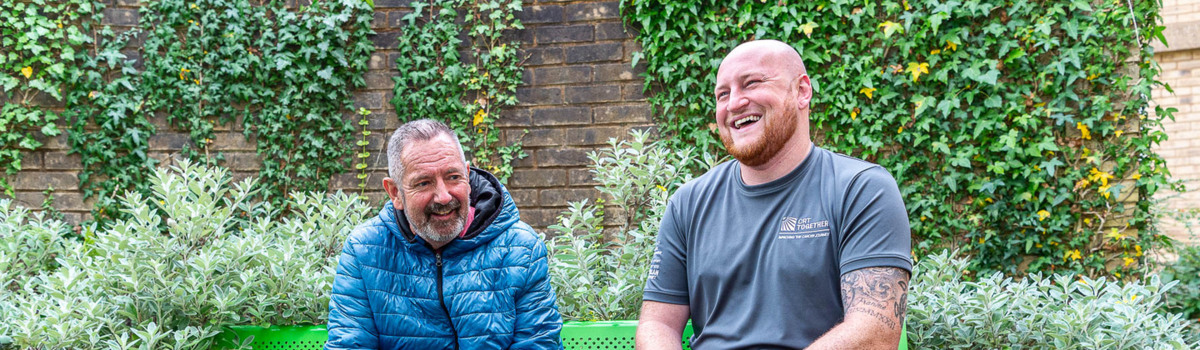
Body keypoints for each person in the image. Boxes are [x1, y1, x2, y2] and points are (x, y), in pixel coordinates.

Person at [635, 40, 913, 350]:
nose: (734, 103)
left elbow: (874, 332)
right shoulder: (688, 203)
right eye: (722, 94)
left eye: (751, 83)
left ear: (802, 91)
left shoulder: (861, 189)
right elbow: (657, 323)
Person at [326, 119, 563, 350]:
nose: (444, 197)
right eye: (423, 183)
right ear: (395, 193)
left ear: (467, 177)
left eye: (453, 177)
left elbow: (539, 343)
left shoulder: (521, 249)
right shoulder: (364, 250)